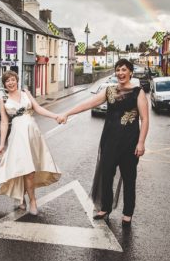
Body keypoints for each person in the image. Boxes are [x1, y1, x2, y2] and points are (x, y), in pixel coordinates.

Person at [57, 59, 149, 226]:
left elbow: (145, 118)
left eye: (124, 70)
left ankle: (128, 212)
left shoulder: (138, 92)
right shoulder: (109, 91)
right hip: (109, 141)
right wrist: (67, 113)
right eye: (118, 70)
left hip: (130, 142)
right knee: (106, 176)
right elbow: (88, 104)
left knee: (129, 178)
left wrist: (141, 142)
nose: (120, 73)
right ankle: (105, 208)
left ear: (130, 73)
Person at [0, 70, 61, 215]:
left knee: (30, 171)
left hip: (33, 135)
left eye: (12, 79)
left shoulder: (26, 93)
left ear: (17, 80)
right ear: (4, 84)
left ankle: (28, 199)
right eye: (7, 81)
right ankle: (27, 199)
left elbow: (38, 109)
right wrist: (1, 144)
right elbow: (4, 123)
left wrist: (55, 116)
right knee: (23, 169)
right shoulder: (4, 99)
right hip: (18, 137)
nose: (11, 82)